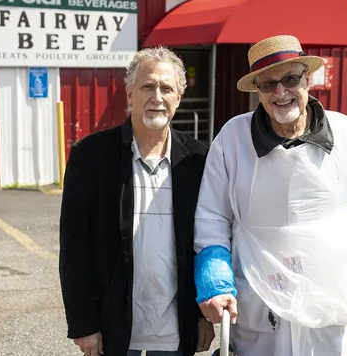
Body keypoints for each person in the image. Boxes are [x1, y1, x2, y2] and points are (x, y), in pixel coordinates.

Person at [193, 35, 347, 356]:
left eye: (290, 79)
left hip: (328, 294)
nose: (281, 92)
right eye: (268, 84)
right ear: (257, 90)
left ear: (308, 80)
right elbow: (212, 216)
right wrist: (215, 282)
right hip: (259, 298)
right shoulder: (233, 138)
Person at [59, 46, 214, 356]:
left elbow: (205, 240)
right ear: (130, 94)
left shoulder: (199, 159)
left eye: (167, 88)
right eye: (147, 86)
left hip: (175, 324)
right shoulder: (90, 157)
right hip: (113, 325)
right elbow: (74, 247)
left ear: (178, 98)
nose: (157, 96)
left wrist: (201, 316)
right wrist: (83, 323)